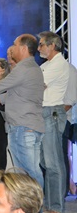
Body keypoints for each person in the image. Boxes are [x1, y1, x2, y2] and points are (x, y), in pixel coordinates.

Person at [0, 34, 45, 188]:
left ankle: (37, 208)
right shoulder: (30, 68)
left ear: (24, 48)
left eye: (14, 45)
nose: (11, 48)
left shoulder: (24, 68)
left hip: (23, 127)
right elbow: (14, 95)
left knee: (31, 172)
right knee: (20, 174)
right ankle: (25, 207)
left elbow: (0, 86)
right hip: (22, 126)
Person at [37, 31, 69, 213]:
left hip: (52, 113)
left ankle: (56, 207)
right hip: (44, 113)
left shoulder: (58, 64)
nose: (39, 48)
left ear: (52, 46)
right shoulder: (47, 64)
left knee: (54, 163)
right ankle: (50, 204)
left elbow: (38, 86)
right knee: (45, 162)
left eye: (41, 44)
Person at [63, 62, 77, 196]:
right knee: (66, 153)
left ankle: (70, 184)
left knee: (66, 153)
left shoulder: (70, 70)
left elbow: (71, 100)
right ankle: (70, 183)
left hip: (69, 117)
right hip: (68, 118)